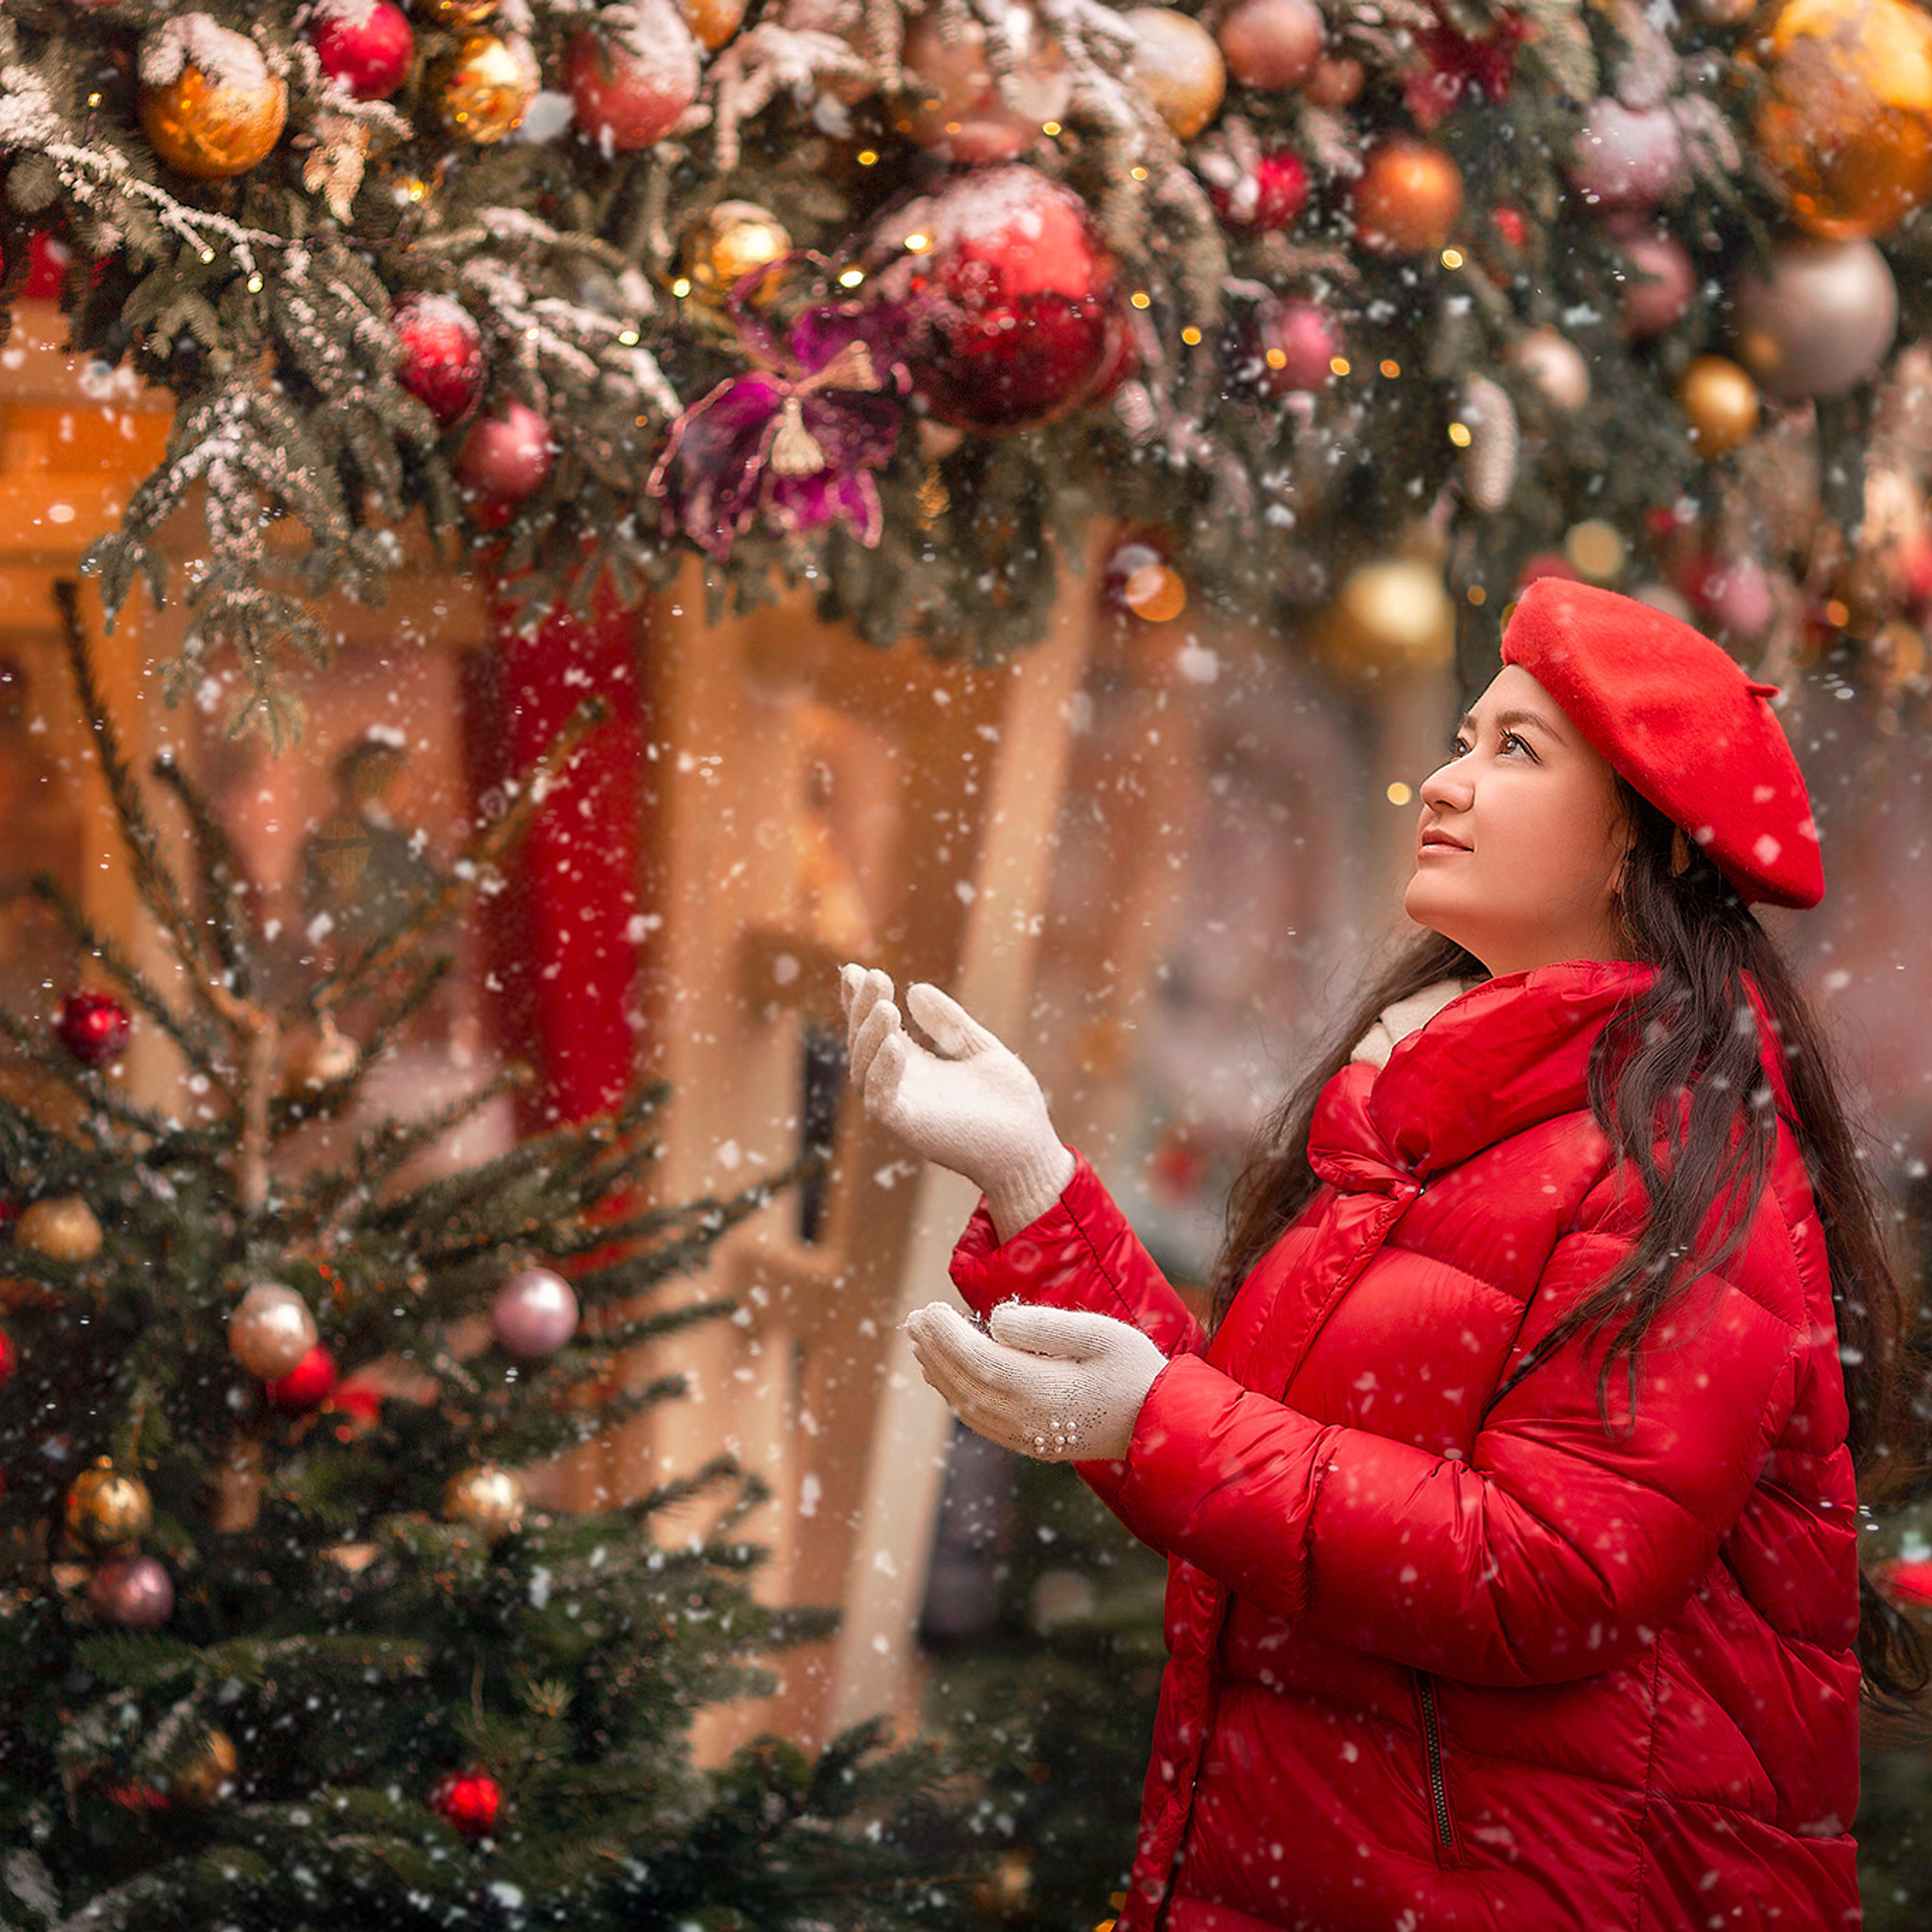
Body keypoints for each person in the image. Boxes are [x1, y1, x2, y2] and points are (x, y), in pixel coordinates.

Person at [838, 577, 1929, 1932]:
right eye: (1464, 740)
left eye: (1511, 751)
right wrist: (1030, 1176)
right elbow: (1251, 1462)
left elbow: (1550, 1575)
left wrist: (1157, 1420)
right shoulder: (1422, 1119)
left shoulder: (1687, 1173)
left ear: (1631, 847)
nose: (1442, 783)